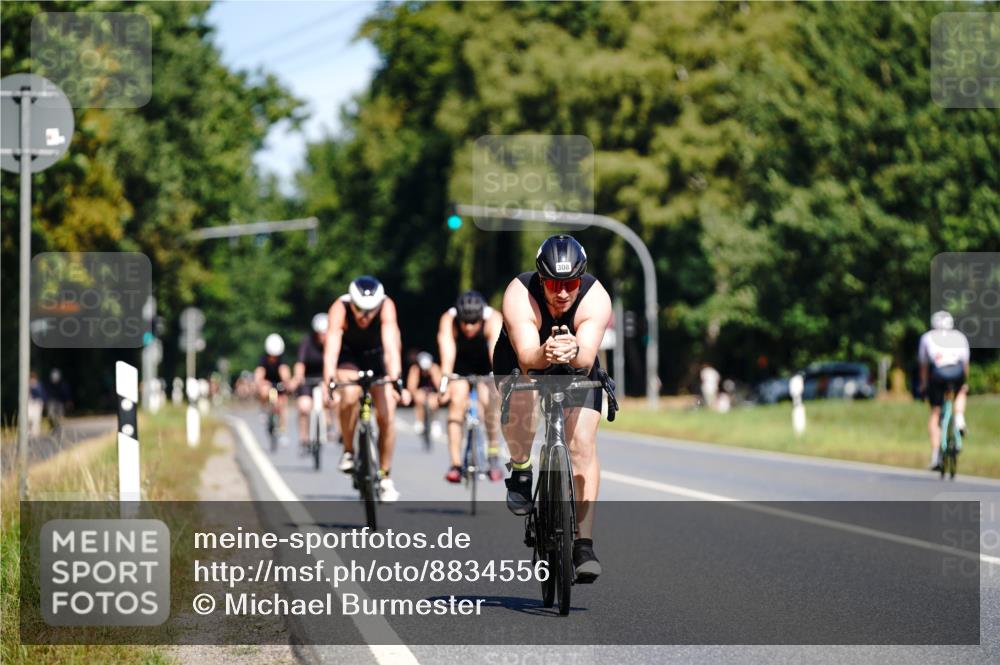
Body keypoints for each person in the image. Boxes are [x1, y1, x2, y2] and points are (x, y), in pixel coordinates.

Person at [492, 234, 612, 583]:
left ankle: (583, 545)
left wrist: (572, 350)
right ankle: (522, 468)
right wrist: (545, 353)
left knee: (583, 446)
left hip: (577, 360)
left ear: (581, 279)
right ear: (541, 279)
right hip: (522, 356)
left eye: (571, 283)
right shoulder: (519, 294)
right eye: (554, 284)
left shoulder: (596, 297)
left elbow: (587, 357)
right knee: (523, 396)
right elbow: (528, 359)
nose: (562, 293)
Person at [323, 276, 409, 502]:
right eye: (359, 309)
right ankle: (349, 451)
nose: (364, 316)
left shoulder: (387, 306)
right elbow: (331, 347)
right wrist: (329, 381)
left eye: (370, 310)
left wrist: (395, 378)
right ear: (352, 302)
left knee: (387, 415)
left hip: (377, 356)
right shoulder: (339, 307)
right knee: (350, 394)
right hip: (349, 357)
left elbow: (391, 347)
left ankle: (385, 475)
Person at [437, 290, 504, 483]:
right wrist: (444, 385)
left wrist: (500, 382)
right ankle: (455, 464)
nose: (468, 327)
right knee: (456, 402)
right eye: (464, 322)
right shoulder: (448, 320)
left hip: (486, 364)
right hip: (460, 365)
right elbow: (447, 354)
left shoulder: (493, 319)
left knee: (489, 400)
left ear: (481, 317)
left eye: (473, 322)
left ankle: (492, 455)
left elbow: (496, 354)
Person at [918, 310, 970, 471]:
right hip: (957, 372)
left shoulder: (927, 337)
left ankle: (935, 456)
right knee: (961, 390)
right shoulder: (960, 336)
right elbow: (965, 363)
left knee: (935, 412)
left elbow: (924, 364)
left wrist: (924, 384)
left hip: (939, 373)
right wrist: (964, 383)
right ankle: (959, 417)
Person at [292, 313, 335, 454]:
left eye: (325, 333)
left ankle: (328, 425)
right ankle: (304, 439)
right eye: (320, 334)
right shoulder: (307, 342)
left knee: (331, 400)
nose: (323, 337)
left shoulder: (333, 343)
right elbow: (300, 363)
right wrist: (298, 377)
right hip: (308, 380)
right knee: (304, 407)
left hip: (325, 379)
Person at [255, 334, 292, 444]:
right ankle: (263, 409)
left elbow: (285, 374)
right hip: (267, 383)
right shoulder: (263, 359)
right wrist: (260, 382)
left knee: (282, 406)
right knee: (264, 391)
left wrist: (287, 383)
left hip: (279, 384)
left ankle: (282, 430)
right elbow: (259, 373)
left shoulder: (282, 361)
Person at [406, 351, 442, 439]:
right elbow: (411, 387)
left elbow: (440, 386)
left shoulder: (434, 368)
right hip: (421, 391)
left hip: (432, 392)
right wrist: (416, 393)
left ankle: (434, 422)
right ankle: (420, 421)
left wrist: (433, 375)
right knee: (418, 398)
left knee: (433, 402)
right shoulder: (415, 369)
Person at [28, 371, 47, 437]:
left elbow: (41, 394)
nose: (32, 379)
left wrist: (44, 403)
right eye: (31, 378)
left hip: (37, 404)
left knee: (36, 419)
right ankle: (28, 433)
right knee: (28, 418)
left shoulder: (39, 385)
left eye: (33, 378)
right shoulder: (27, 385)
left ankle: (35, 434)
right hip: (29, 404)